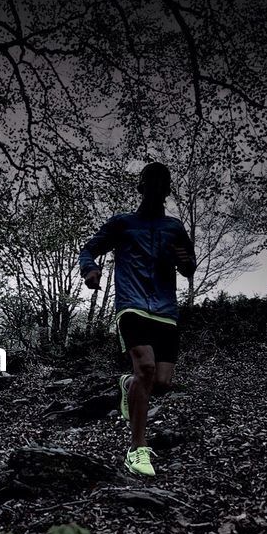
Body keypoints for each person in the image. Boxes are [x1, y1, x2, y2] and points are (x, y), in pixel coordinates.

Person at [78, 162, 196, 477]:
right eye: (150, 183)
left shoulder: (175, 227)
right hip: (131, 305)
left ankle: (128, 386)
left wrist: (186, 262)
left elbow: (187, 266)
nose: (156, 189)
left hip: (166, 310)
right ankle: (136, 450)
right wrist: (90, 269)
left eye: (162, 184)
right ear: (141, 188)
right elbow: (89, 248)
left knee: (159, 382)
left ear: (166, 191)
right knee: (145, 368)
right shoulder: (122, 224)